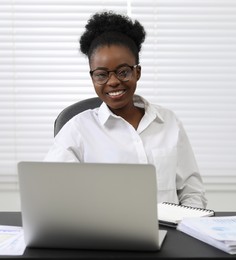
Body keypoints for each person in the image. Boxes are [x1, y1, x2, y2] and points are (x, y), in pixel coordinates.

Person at [44, 11, 207, 209]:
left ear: (137, 72)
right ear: (92, 78)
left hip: (168, 232)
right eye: (101, 75)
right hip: (104, 235)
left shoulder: (169, 122)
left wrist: (185, 226)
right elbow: (52, 194)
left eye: (123, 72)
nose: (113, 82)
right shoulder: (77, 130)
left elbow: (192, 192)